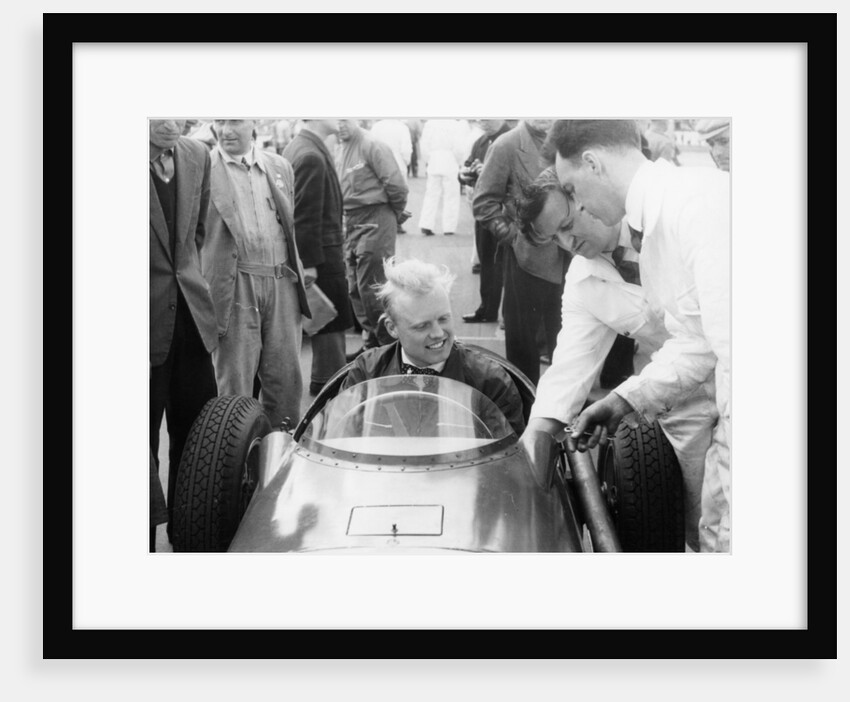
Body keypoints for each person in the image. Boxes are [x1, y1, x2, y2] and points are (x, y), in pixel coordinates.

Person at [548, 119, 730, 552]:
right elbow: (697, 341)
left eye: (571, 190)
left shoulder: (700, 204)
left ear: (592, 163)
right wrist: (624, 399)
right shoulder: (662, 218)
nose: (577, 208)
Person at [203, 119, 311, 429]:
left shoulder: (279, 166)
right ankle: (235, 464)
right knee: (234, 387)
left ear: (254, 123)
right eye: (219, 121)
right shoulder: (203, 169)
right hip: (234, 287)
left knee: (286, 381)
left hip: (282, 283)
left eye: (235, 120)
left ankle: (282, 457)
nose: (226, 130)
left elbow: (289, 228)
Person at [341, 257, 526, 436]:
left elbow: (508, 459)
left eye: (443, 319)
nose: (438, 333)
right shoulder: (366, 373)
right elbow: (341, 442)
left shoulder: (490, 381)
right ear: (392, 328)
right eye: (422, 326)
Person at [149, 119, 219, 544]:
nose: (174, 122)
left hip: (191, 322)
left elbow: (195, 236)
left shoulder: (197, 154)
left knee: (197, 440)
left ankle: (189, 534)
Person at [472, 119, 570, 386]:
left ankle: (568, 411)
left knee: (570, 345)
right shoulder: (507, 145)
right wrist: (513, 237)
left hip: (572, 260)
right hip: (526, 261)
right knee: (522, 347)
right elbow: (483, 202)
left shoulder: (570, 140)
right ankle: (524, 406)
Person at [283, 119, 354, 396]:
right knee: (329, 330)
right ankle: (331, 391)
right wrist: (309, 265)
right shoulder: (310, 154)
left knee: (326, 329)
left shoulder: (301, 147)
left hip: (319, 255)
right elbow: (304, 216)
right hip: (321, 259)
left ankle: (326, 384)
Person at [335, 119, 410, 359]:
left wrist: (391, 214)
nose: (340, 125)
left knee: (374, 288)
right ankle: (372, 342)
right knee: (355, 287)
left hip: (376, 216)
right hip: (353, 220)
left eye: (345, 119)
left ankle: (390, 349)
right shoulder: (340, 147)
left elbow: (397, 186)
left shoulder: (372, 145)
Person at [459, 119, 511, 324]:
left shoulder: (510, 141)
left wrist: (486, 172)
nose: (483, 121)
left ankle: (509, 316)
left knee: (507, 266)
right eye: (480, 118)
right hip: (484, 213)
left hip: (504, 213)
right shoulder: (480, 142)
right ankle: (487, 310)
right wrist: (464, 174)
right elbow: (468, 166)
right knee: (487, 262)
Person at [418, 119, 469, 236]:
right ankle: (449, 227)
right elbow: (459, 148)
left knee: (431, 194)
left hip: (434, 159)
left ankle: (426, 224)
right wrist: (459, 161)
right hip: (450, 160)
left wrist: (428, 160)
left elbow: (424, 146)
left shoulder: (430, 124)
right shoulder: (455, 125)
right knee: (451, 196)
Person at [370, 118, 414, 233]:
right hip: (397, 163)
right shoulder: (402, 127)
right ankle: (397, 222)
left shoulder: (376, 127)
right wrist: (406, 162)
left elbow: (370, 146)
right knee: (399, 193)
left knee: (382, 193)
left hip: (379, 164)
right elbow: (406, 150)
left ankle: (382, 222)